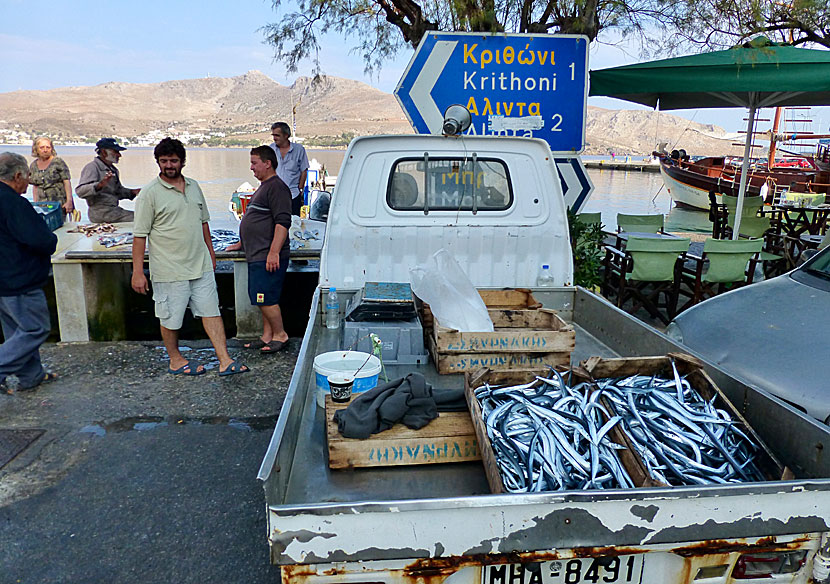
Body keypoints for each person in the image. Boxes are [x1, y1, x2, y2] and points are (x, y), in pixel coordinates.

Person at [130, 138, 249, 377]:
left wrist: (211, 253)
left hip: (200, 264)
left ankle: (225, 360)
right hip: (168, 268)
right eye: (164, 161)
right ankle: (175, 360)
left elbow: (203, 222)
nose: (169, 165)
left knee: (211, 311)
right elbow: (140, 236)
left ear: (182, 162)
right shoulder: (149, 194)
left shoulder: (194, 186)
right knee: (170, 317)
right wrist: (137, 272)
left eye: (173, 160)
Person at [0, 152, 59, 392]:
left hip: (3, 281)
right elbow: (40, 240)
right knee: (35, 328)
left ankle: (32, 375)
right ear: (17, 176)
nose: (28, 182)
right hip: (18, 278)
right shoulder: (13, 202)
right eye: (27, 177)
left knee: (16, 331)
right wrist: (51, 239)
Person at [225, 146, 291, 353]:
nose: (251, 167)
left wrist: (273, 252)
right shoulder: (264, 187)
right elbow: (257, 220)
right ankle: (267, 336)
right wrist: (242, 243)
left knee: (265, 297)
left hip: (266, 255)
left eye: (254, 163)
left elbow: (282, 223)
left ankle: (280, 335)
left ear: (267, 163)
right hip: (256, 253)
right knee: (262, 298)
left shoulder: (277, 188)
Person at [76, 137, 140, 223]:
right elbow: (80, 191)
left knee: (143, 216)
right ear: (104, 152)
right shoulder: (92, 167)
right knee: (142, 219)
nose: (119, 155)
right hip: (101, 214)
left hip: (113, 211)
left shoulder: (113, 170)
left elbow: (118, 192)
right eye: (116, 152)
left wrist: (133, 192)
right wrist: (99, 185)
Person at [269, 122, 309, 216]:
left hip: (293, 196)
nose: (274, 138)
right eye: (273, 135)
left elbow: (304, 170)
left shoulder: (299, 150)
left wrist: (300, 189)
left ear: (286, 135)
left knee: (293, 224)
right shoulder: (271, 149)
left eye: (277, 135)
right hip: (274, 196)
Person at [29, 136, 74, 217]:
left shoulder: (58, 162)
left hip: (59, 204)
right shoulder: (33, 166)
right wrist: (36, 204)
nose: (45, 150)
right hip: (42, 205)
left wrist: (69, 202)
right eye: (42, 147)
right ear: (36, 150)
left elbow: (66, 182)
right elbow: (35, 186)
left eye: (48, 147)